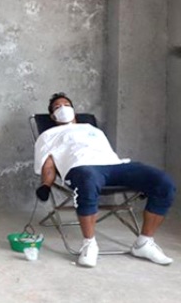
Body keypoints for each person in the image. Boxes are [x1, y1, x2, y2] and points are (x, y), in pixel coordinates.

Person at [34, 92, 176, 268]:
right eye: (57, 107)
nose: (63, 108)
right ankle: (89, 244)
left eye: (66, 105)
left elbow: (108, 153)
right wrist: (45, 185)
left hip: (115, 165)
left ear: (74, 110)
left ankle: (144, 243)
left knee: (163, 182)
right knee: (87, 180)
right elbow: (48, 164)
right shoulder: (48, 135)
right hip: (83, 167)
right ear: (52, 116)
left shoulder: (93, 129)